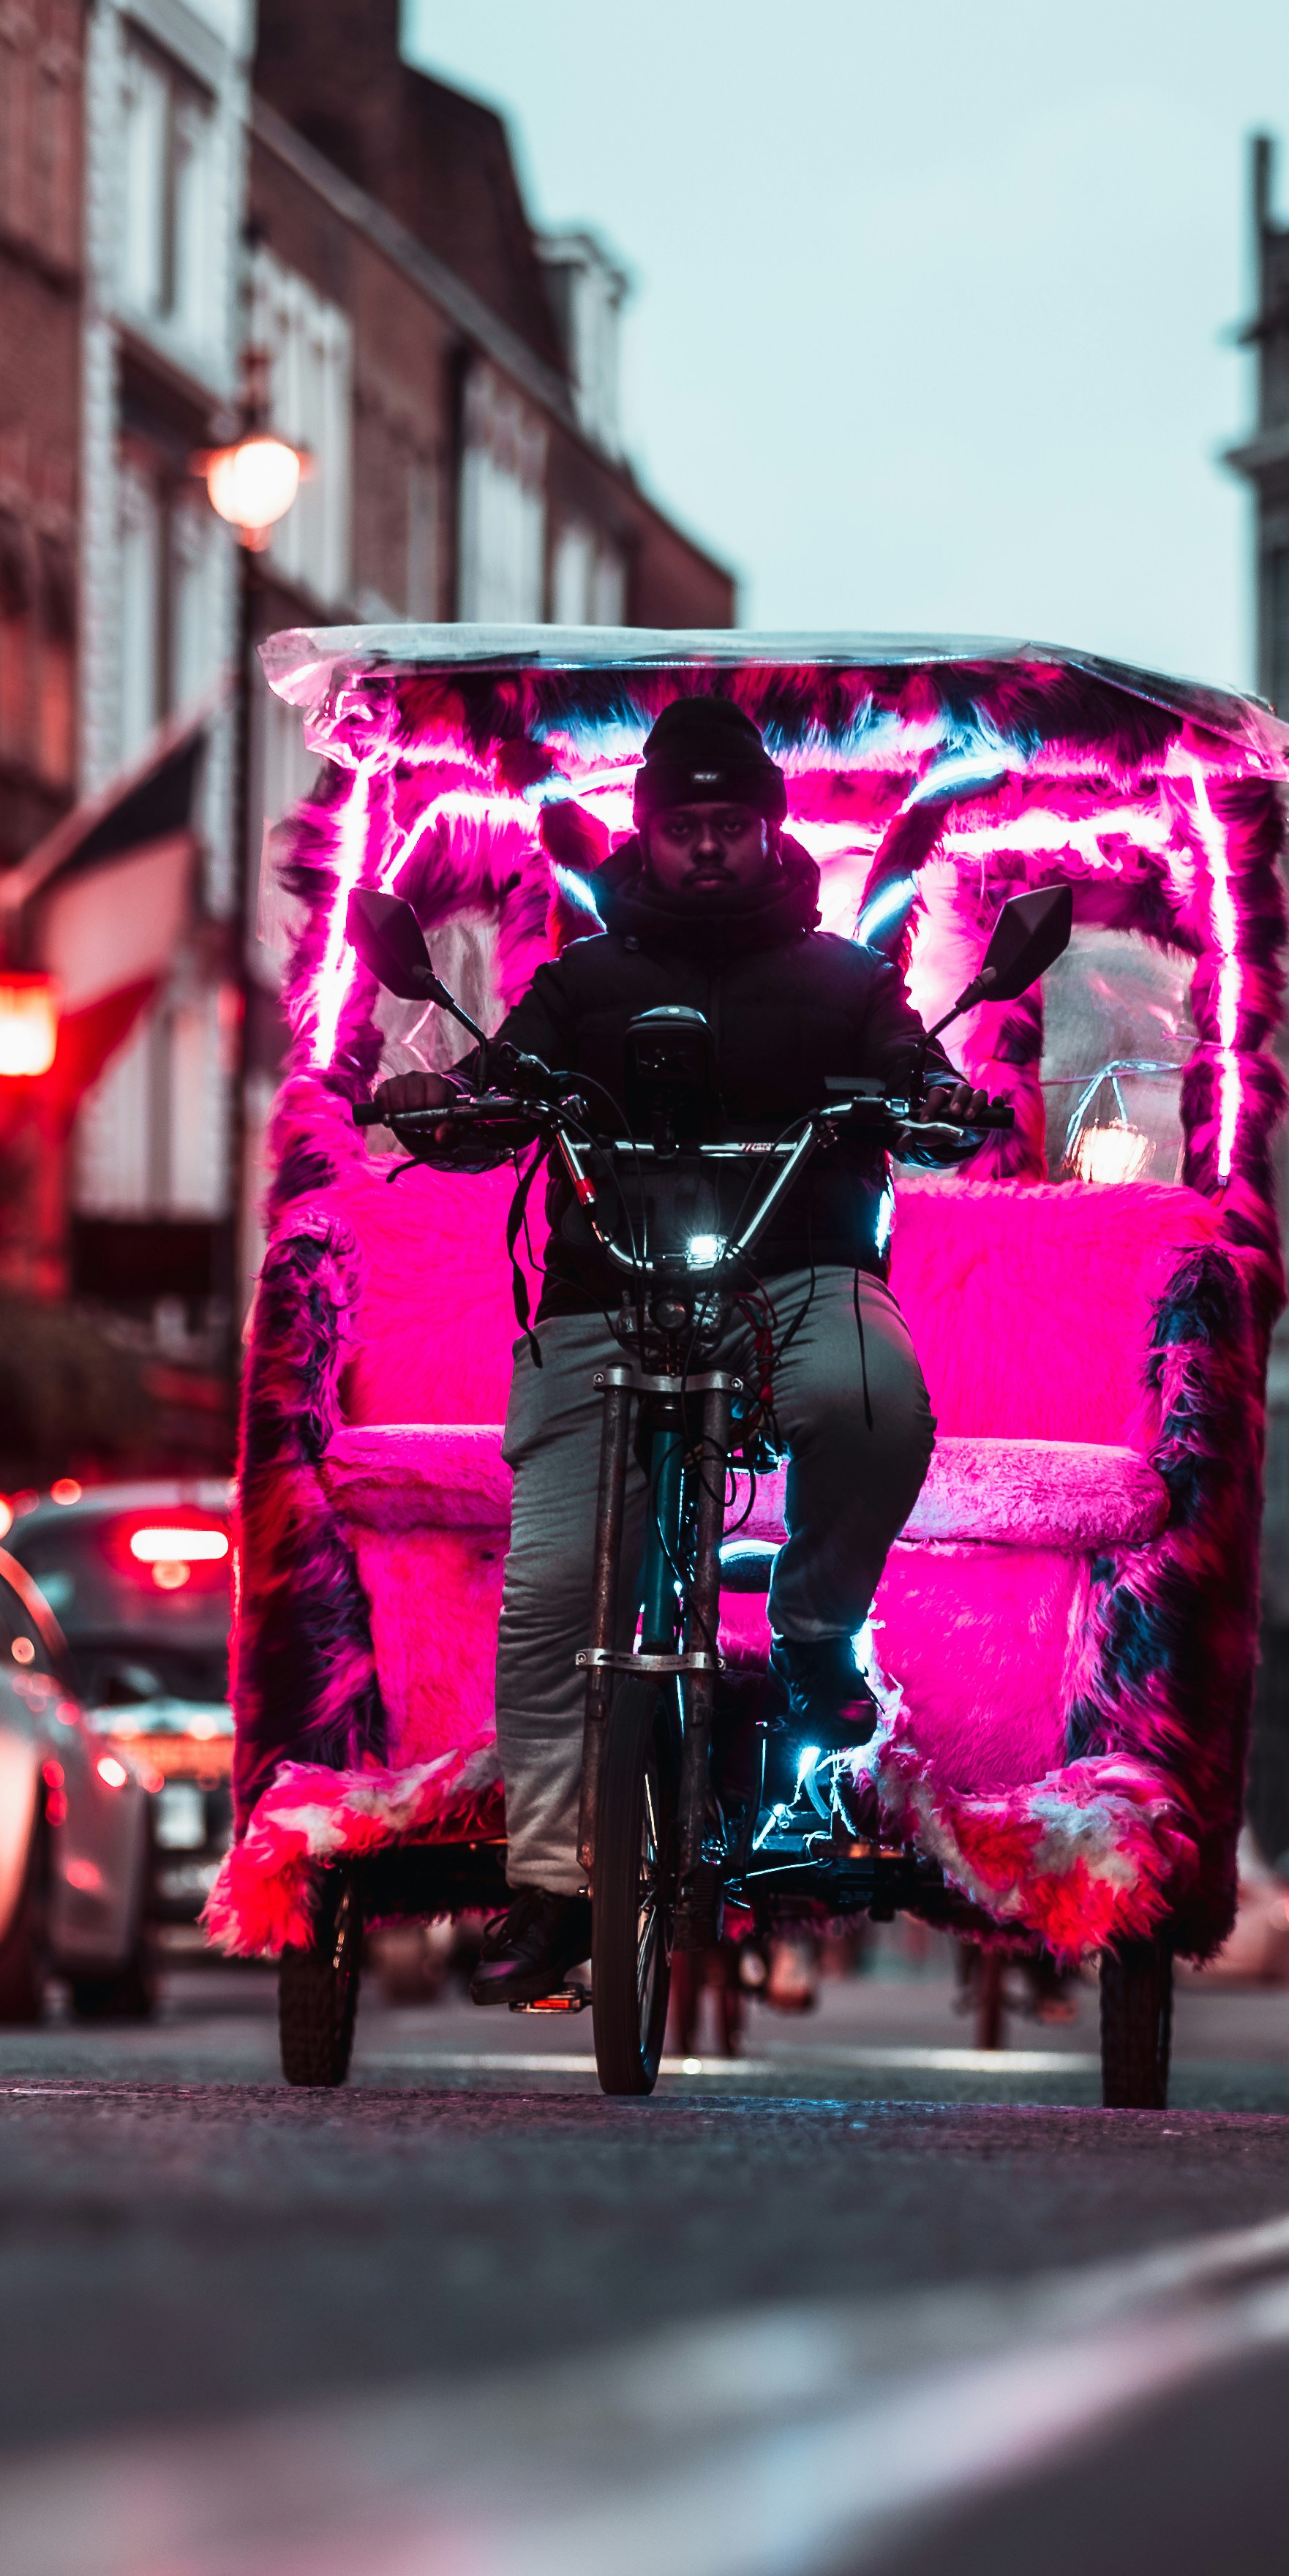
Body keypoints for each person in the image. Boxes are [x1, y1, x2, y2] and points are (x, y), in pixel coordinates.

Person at [374, 694, 988, 2008]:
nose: (707, 846)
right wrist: (449, 1102)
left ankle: (815, 1636)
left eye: (730, 824)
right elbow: (501, 1087)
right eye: (682, 826)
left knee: (875, 1400)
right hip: (604, 1298)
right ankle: (551, 1885)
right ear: (645, 834)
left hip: (800, 1280)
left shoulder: (847, 980)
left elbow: (904, 1066)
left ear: (768, 830)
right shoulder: (582, 982)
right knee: (549, 1590)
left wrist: (936, 1095)